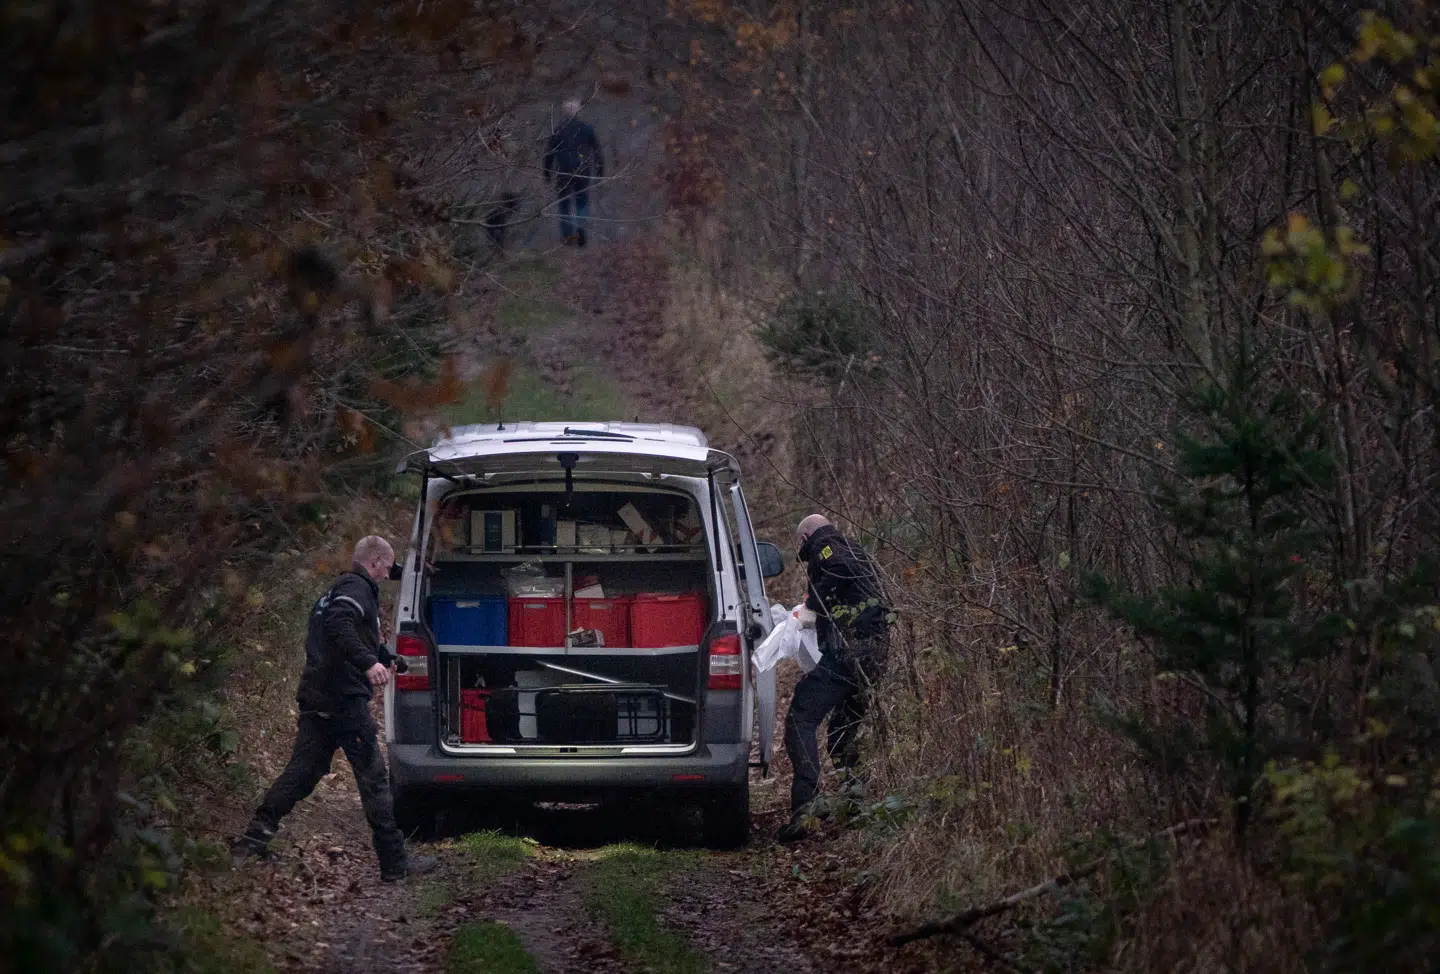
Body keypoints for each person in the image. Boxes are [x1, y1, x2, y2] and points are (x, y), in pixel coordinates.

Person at [231, 536, 438, 882]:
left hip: (317, 697)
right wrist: (370, 663)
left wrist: (388, 658)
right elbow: (340, 625)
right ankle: (395, 865)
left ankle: (251, 842)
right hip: (344, 702)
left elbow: (350, 634)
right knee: (374, 780)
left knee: (301, 773)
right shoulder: (354, 589)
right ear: (374, 562)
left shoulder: (337, 591)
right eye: (386, 568)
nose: (388, 575)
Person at [777, 514, 891, 843]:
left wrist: (812, 604)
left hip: (849, 656)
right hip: (872, 659)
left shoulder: (827, 547)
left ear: (805, 539)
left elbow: (837, 570)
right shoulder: (855, 547)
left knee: (801, 718)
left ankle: (807, 811)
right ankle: (855, 809)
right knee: (842, 735)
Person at [542, 98, 603, 247]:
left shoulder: (558, 130)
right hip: (582, 171)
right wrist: (600, 171)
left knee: (564, 205)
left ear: (564, 113)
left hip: (563, 172)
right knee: (582, 201)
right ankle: (580, 229)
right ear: (579, 111)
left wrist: (547, 173)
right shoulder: (587, 129)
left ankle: (568, 237)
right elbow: (597, 152)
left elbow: (549, 153)